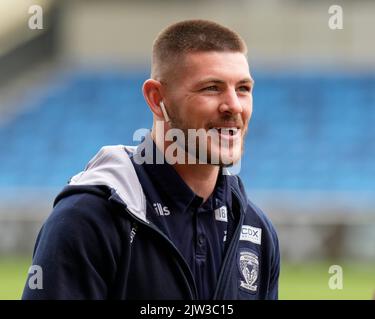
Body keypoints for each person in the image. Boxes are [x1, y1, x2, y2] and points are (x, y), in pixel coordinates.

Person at [22, 19, 280, 300]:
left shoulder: (255, 229)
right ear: (157, 98)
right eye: (211, 88)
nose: (233, 106)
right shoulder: (88, 218)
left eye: (243, 88)